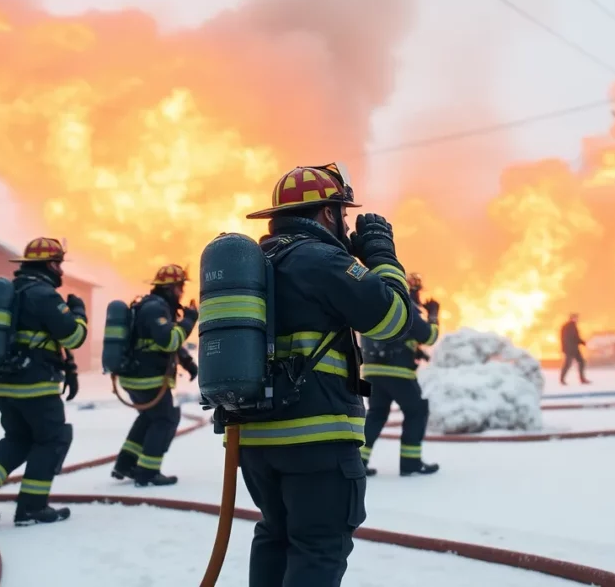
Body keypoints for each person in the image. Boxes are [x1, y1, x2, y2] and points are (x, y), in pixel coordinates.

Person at [239, 162, 414, 586]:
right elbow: (394, 318)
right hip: (317, 441)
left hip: (255, 442)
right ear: (328, 213)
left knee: (275, 537)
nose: (347, 224)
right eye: (344, 214)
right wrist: (381, 256)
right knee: (319, 548)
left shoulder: (256, 263)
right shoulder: (320, 259)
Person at [0, 237, 86, 526]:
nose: (61, 271)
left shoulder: (13, 292)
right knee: (53, 439)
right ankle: (32, 507)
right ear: (50, 265)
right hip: (36, 386)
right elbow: (74, 337)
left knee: (18, 438)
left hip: (3, 384)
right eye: (59, 264)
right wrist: (78, 314)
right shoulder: (43, 295)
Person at [110, 264, 198, 487]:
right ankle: (148, 472)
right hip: (147, 378)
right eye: (179, 287)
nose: (181, 292)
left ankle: (125, 464)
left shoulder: (152, 306)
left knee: (148, 417)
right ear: (170, 288)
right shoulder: (155, 309)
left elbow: (164, 342)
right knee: (165, 419)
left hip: (136, 377)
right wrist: (189, 320)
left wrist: (187, 362)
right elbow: (168, 340)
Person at [360, 272, 441, 477]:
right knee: (417, 411)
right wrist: (432, 314)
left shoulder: (372, 306)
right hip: (398, 373)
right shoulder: (405, 307)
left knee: (377, 414)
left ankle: (359, 461)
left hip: (372, 372)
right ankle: (411, 463)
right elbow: (428, 336)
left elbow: (399, 334)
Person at [559, 313, 590, 385]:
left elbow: (575, 338)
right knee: (568, 364)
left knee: (581, 362)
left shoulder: (573, 326)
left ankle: (582, 379)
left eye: (576, 318)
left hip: (574, 348)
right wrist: (581, 342)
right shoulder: (567, 327)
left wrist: (582, 342)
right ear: (571, 318)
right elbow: (568, 338)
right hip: (569, 349)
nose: (576, 319)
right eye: (575, 318)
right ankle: (562, 379)